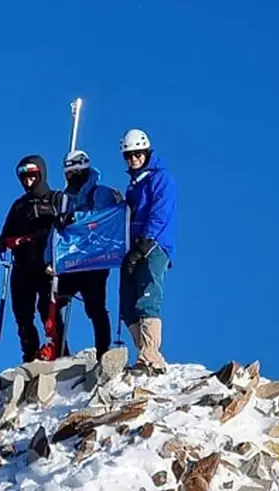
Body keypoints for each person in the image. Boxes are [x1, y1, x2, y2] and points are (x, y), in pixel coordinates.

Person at [47, 150, 123, 361]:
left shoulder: (101, 193)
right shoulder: (65, 199)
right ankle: (60, 352)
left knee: (95, 306)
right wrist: (49, 259)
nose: (72, 178)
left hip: (95, 259)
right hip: (72, 261)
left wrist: (74, 217)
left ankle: (103, 353)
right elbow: (56, 233)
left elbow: (103, 219)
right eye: (68, 174)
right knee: (50, 302)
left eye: (76, 173)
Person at [119, 129, 178, 375]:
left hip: (153, 246)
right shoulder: (134, 185)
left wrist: (145, 242)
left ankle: (151, 355)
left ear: (146, 153)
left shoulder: (160, 178)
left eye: (137, 154)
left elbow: (160, 212)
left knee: (147, 297)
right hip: (133, 246)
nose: (133, 159)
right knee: (127, 304)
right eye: (129, 156)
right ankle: (143, 351)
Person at [0, 155, 64, 362]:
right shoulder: (19, 205)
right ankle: (30, 354)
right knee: (22, 313)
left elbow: (69, 228)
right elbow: (6, 234)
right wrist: (1, 242)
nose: (28, 181)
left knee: (47, 309)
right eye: (25, 178)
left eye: (33, 176)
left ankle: (58, 351)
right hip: (22, 266)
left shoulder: (56, 199)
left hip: (46, 265)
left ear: (41, 175)